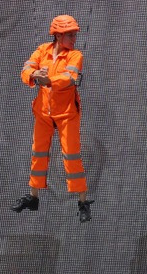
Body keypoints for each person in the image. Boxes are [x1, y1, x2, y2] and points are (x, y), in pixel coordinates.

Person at [11, 14, 93, 222]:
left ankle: (83, 201)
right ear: (57, 35)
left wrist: (46, 79)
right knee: (38, 153)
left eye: (74, 34)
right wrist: (33, 75)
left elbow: (69, 78)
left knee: (72, 156)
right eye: (70, 34)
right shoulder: (42, 51)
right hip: (44, 112)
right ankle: (33, 196)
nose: (74, 38)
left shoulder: (75, 56)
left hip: (66, 113)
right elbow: (26, 69)